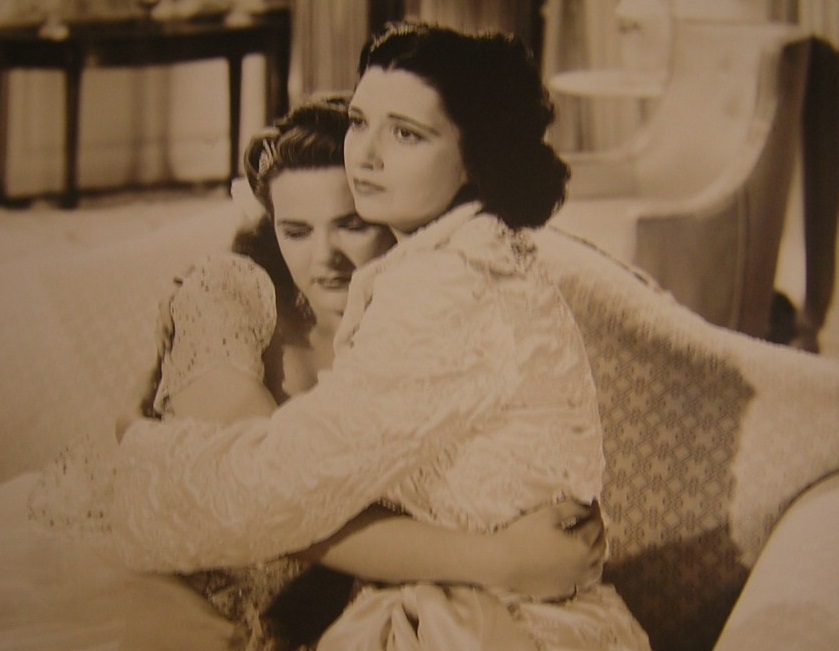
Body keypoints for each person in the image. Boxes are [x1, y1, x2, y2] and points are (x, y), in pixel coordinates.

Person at [35, 22, 651, 650]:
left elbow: (286, 485)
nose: (368, 156)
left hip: (487, 624)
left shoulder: (450, 285)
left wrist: (135, 463)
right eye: (360, 121)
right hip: (465, 598)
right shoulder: (457, 260)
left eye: (406, 134)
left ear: (477, 156)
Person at [130, 96, 606, 650]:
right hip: (185, 604)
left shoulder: (439, 318)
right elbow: (264, 498)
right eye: (296, 231)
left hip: (334, 620)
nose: (324, 257)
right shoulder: (229, 294)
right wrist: (502, 559)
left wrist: (556, 531)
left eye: (352, 225)